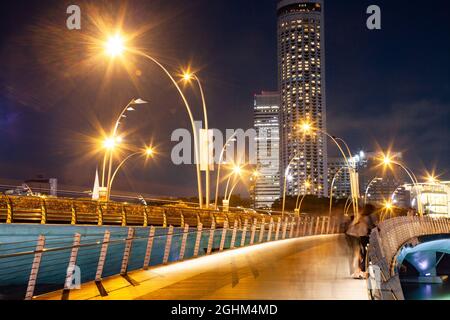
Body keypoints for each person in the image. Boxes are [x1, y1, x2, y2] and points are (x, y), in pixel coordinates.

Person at [346, 204, 377, 279]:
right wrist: (378, 229)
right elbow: (371, 226)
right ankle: (361, 271)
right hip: (363, 236)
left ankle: (358, 271)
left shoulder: (361, 215)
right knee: (366, 254)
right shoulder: (368, 217)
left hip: (355, 235)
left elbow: (354, 224)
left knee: (360, 253)